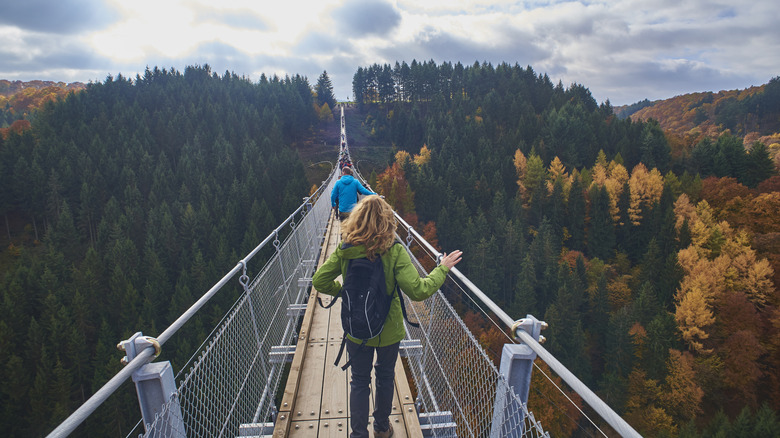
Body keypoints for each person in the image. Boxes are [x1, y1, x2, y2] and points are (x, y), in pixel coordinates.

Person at [312, 195, 463, 438]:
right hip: (388, 329)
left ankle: (358, 434)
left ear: (356, 220)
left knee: (359, 381)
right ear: (387, 221)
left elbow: (319, 280)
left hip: (355, 326)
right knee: (385, 376)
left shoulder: (345, 249)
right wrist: (442, 268)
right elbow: (418, 290)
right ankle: (381, 428)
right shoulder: (394, 251)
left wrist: (343, 293)